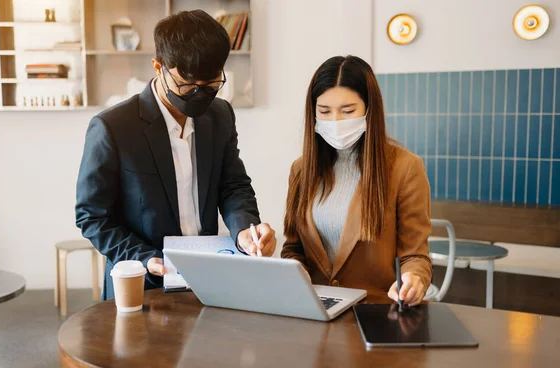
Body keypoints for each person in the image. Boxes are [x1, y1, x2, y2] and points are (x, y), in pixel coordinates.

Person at [76, 10, 276, 300]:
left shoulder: (220, 115)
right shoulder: (113, 127)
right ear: (159, 67)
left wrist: (246, 229)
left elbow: (233, 185)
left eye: (211, 85)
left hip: (207, 281)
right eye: (187, 84)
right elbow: (92, 216)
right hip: (143, 285)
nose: (199, 93)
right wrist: (145, 258)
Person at [282, 55, 432, 306]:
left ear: (369, 109)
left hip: (376, 314)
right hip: (314, 310)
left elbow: (415, 255)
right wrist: (295, 272)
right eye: (324, 111)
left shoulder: (405, 168)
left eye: (348, 111)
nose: (336, 122)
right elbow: (293, 249)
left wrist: (413, 278)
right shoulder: (301, 170)